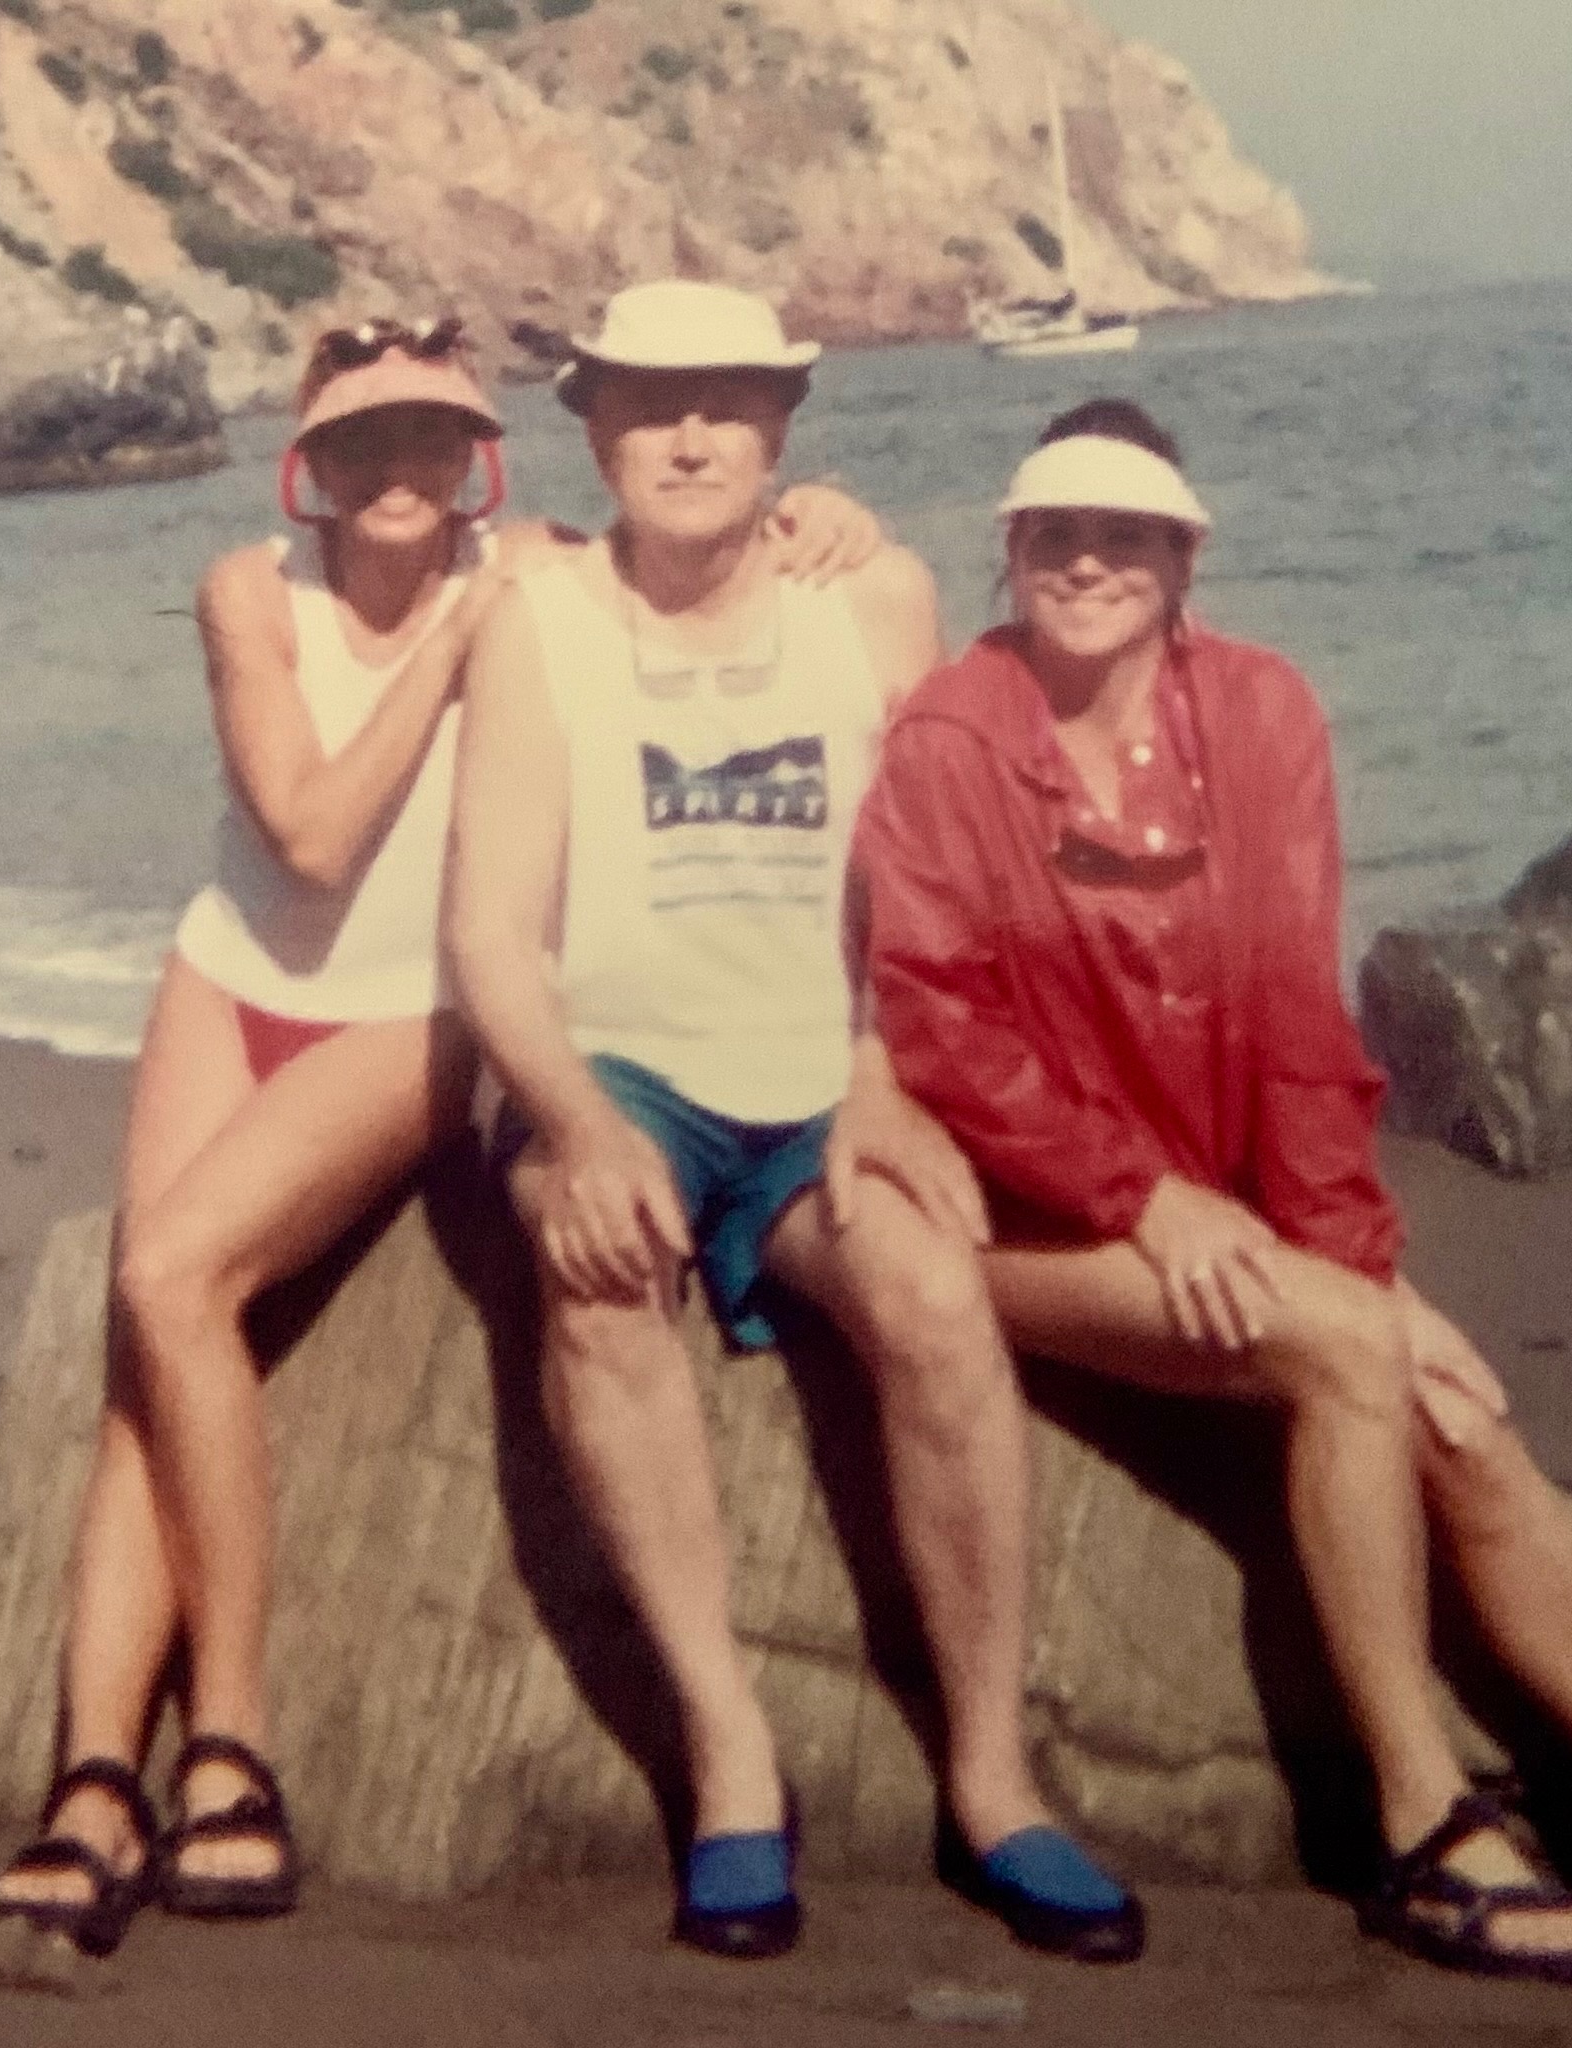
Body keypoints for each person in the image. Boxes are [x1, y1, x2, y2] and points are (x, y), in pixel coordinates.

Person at [851, 398, 1572, 1985]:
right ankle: (1421, 1819)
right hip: (1033, 1226)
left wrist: (1353, 1254)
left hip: (1223, 1218)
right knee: (1351, 1352)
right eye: (1053, 536)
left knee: (1461, 1424)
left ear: (1181, 558)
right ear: (1008, 553)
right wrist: (1145, 1199)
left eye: (1124, 536)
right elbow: (942, 1027)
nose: (1085, 564)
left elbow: (1297, 1017)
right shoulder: (950, 737)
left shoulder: (1260, 712)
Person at [0, 315, 885, 1977]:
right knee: (149, 1340)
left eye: (431, 442)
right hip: (233, 975)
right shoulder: (256, 593)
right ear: (305, 469)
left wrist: (835, 520)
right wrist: (459, 635)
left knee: (173, 1272)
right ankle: (94, 1780)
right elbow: (306, 836)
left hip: (415, 1012)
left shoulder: (539, 579)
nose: (397, 473)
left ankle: (229, 1740)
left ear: (479, 460)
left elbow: (711, 555)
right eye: (359, 445)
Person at [446, 281, 1145, 1963]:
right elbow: (489, 936)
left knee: (932, 1295)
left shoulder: (872, 593)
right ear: (595, 430)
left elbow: (936, 881)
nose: (689, 438)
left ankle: (993, 1781)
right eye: (649, 406)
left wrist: (888, 1071)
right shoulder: (538, 619)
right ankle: (730, 1756)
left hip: (828, 1075)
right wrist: (576, 1129)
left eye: (727, 405)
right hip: (622, 1064)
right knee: (596, 1270)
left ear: (779, 428)